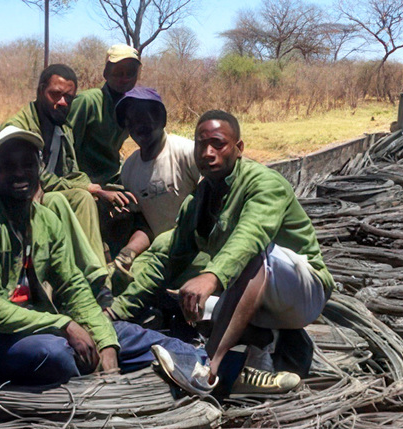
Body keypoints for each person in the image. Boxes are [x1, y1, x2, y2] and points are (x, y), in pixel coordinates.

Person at [0, 126, 203, 386]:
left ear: (39, 169)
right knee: (57, 354)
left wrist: (106, 342)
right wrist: (65, 325)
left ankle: (207, 366)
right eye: (9, 165)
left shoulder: (46, 220)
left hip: (43, 324)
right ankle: (99, 387)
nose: (20, 173)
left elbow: (73, 286)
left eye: (28, 164)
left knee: (134, 338)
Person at [108, 110, 334, 396]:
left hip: (304, 293)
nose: (208, 153)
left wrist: (211, 276)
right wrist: (117, 310)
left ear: (239, 148)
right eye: (201, 145)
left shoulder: (264, 183)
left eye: (218, 144)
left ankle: (209, 366)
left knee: (253, 256)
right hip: (261, 303)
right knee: (176, 297)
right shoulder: (199, 199)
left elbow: (249, 235)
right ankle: (261, 349)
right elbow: (167, 255)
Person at [1, 65, 131, 285]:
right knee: (71, 198)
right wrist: (87, 188)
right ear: (40, 91)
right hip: (20, 200)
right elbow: (32, 177)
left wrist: (97, 189)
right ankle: (94, 277)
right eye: (55, 94)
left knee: (91, 198)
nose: (61, 102)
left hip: (48, 195)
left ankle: (100, 272)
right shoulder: (18, 129)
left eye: (68, 98)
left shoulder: (61, 127)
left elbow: (71, 171)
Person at [111, 86, 199, 275]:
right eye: (131, 121)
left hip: (199, 252)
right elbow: (145, 226)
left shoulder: (188, 153)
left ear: (162, 118)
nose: (138, 126)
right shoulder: (128, 169)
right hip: (161, 257)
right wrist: (129, 252)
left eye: (144, 117)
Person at [69, 43, 140, 187]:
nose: (125, 78)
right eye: (119, 72)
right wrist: (82, 185)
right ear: (106, 73)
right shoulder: (88, 102)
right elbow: (65, 147)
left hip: (115, 178)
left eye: (131, 72)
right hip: (87, 182)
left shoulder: (133, 107)